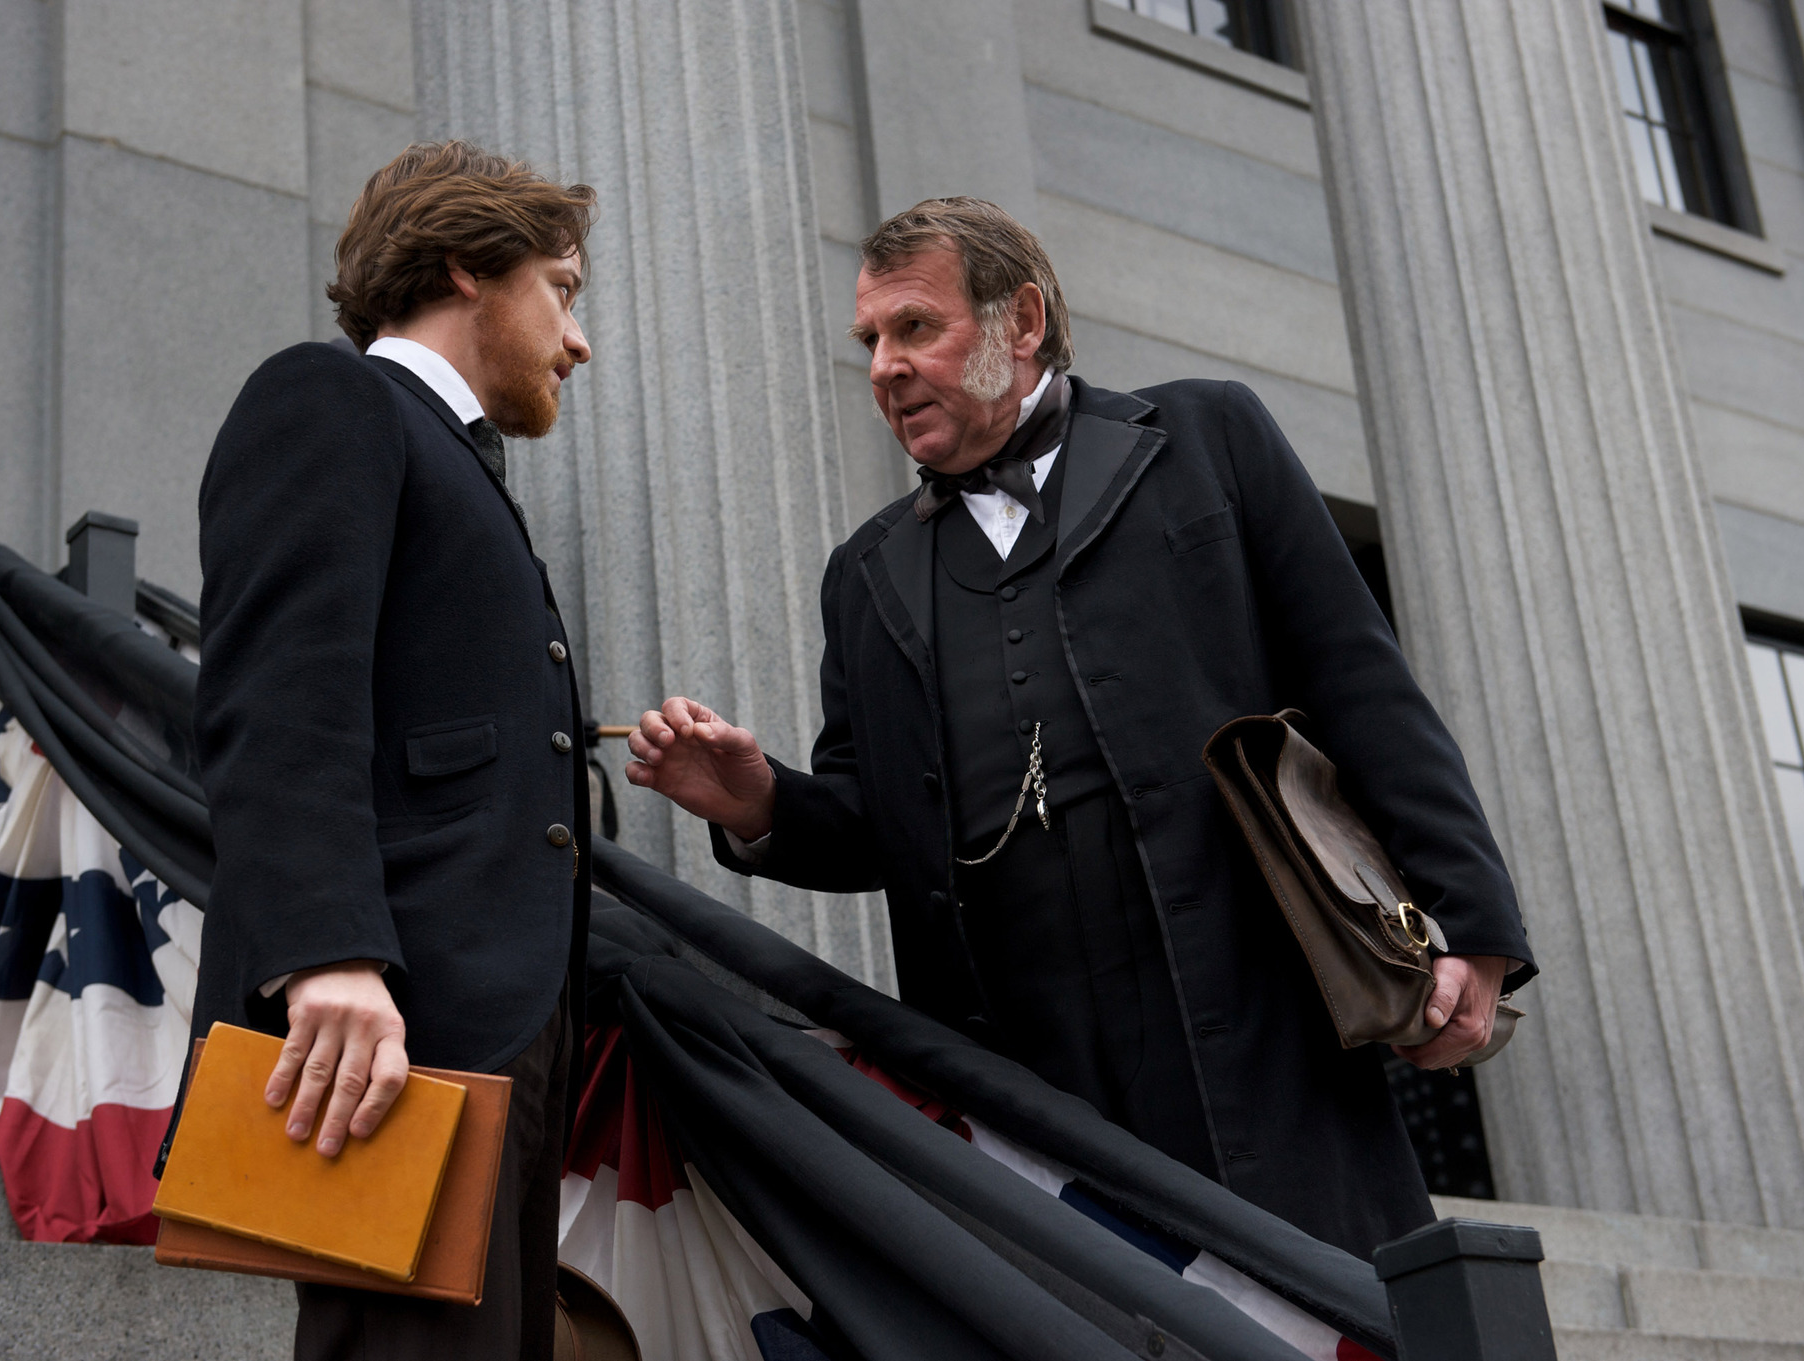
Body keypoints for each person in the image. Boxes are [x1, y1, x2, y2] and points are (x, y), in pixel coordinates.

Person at [625, 197, 1535, 1259]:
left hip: (1253, 1025)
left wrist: (1470, 921)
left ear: (1020, 321)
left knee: (1323, 1303)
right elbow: (875, 824)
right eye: (870, 340)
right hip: (1023, 1078)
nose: (883, 365)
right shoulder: (862, 574)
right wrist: (757, 802)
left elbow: (1359, 683)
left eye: (914, 327)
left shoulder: (1207, 441)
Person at [190, 141, 595, 1359]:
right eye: (562, 291)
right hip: (390, 1020)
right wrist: (326, 952)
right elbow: (277, 695)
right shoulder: (330, 396)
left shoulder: (454, 457)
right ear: (469, 266)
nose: (574, 341)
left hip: (497, 1019)